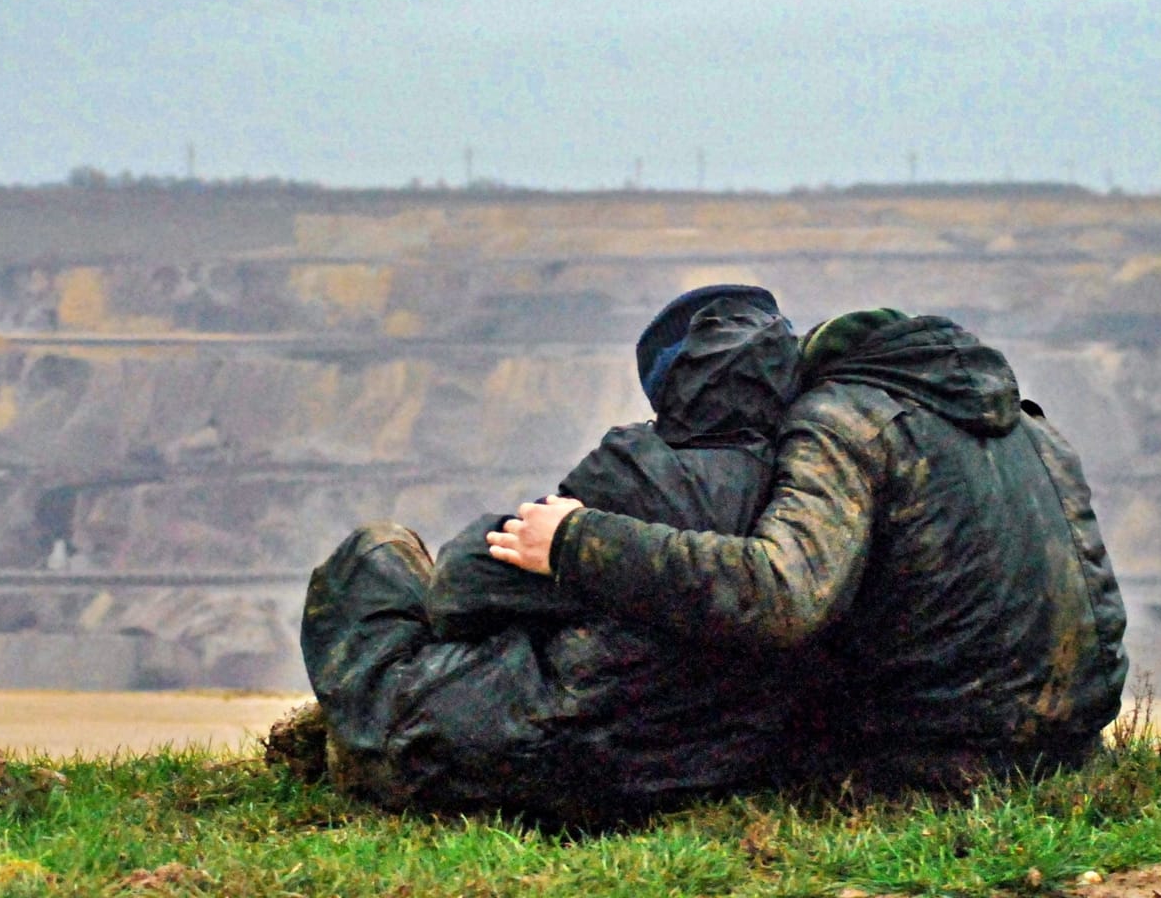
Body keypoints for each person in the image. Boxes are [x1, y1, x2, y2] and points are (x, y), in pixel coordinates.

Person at [490, 307, 1128, 789]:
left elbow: (783, 595)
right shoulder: (1032, 428)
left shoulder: (841, 421)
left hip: (945, 763)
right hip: (1070, 748)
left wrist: (577, 540)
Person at [299, 286, 804, 821]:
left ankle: (365, 758)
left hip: (546, 754)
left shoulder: (634, 470)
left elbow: (460, 588)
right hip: (693, 771)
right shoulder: (807, 491)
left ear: (672, 386)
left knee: (375, 554)